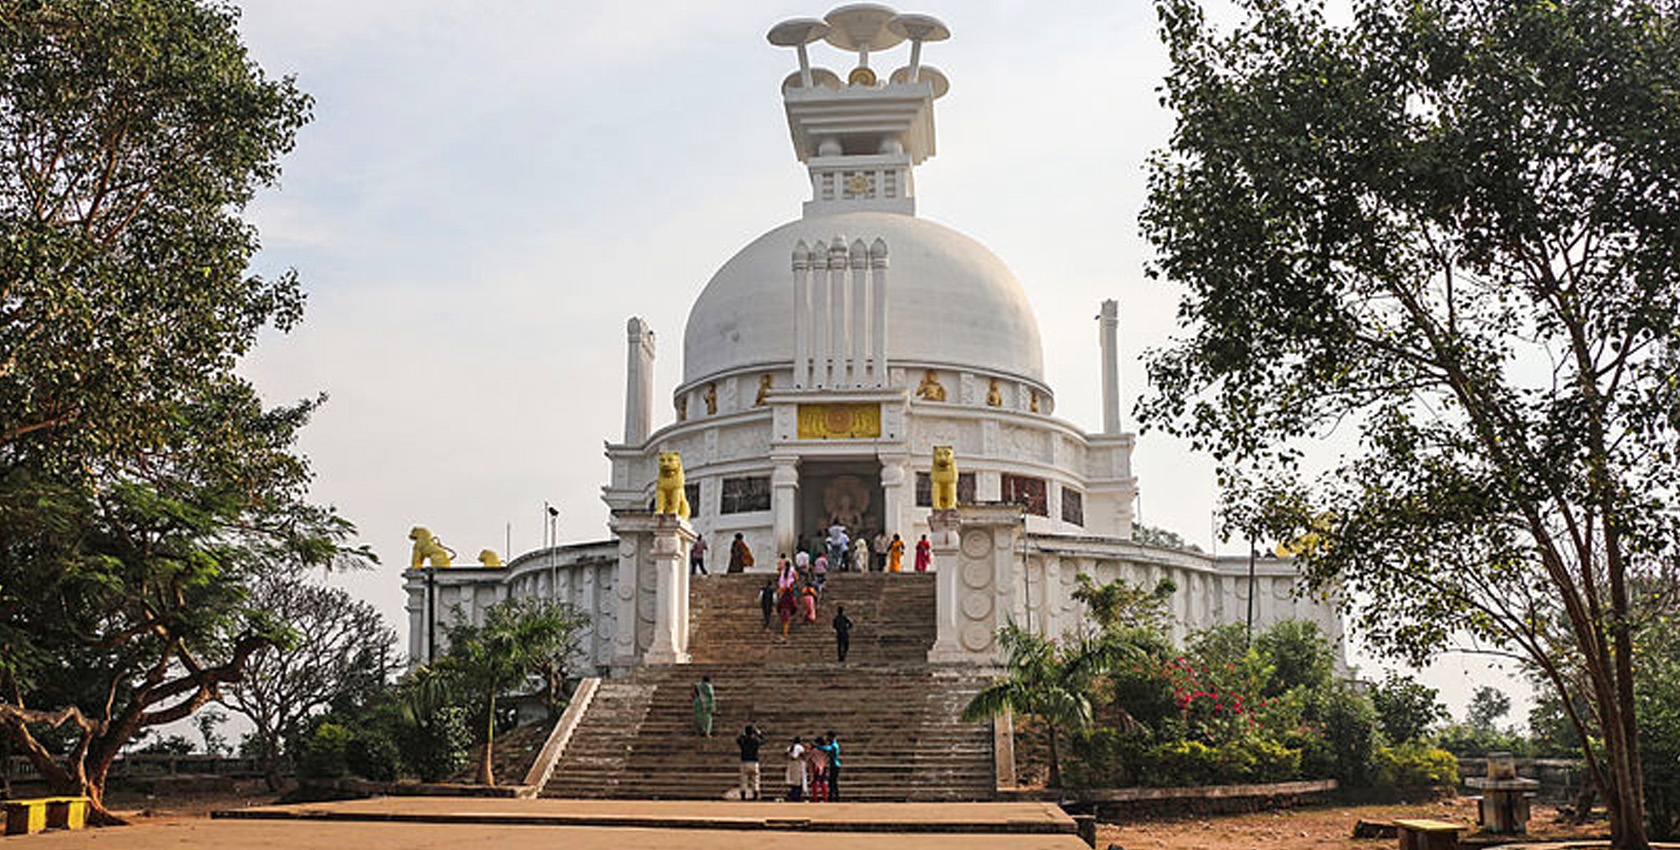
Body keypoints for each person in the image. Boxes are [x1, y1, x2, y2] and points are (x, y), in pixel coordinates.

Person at [736, 724, 766, 800]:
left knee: (743, 780)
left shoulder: (744, 741)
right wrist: (759, 734)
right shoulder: (755, 741)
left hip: (745, 761)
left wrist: (743, 734)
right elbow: (763, 740)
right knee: (755, 780)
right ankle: (755, 794)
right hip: (754, 762)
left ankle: (743, 795)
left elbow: (738, 740)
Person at [816, 731, 842, 802]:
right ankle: (834, 796)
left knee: (833, 782)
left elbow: (827, 749)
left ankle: (834, 797)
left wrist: (817, 746)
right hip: (833, 765)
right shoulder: (833, 744)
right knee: (832, 782)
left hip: (835, 765)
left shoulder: (834, 745)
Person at [805, 736, 829, 802]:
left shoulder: (814, 750)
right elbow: (827, 759)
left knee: (815, 783)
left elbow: (807, 758)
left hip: (815, 767)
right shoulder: (825, 750)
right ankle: (825, 798)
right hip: (823, 766)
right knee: (822, 782)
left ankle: (815, 798)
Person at [784, 737, 806, 801]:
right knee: (798, 781)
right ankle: (796, 796)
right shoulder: (800, 747)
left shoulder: (790, 747)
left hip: (791, 764)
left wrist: (789, 756)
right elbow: (802, 755)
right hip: (798, 764)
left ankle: (793, 795)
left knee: (793, 781)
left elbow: (785, 754)